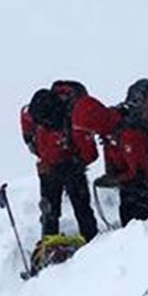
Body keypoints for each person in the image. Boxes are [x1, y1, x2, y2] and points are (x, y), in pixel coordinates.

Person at [73, 88, 148, 226]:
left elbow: (140, 173)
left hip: (146, 182)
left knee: (139, 222)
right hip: (131, 182)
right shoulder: (109, 129)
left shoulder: (128, 135)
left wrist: (115, 178)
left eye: (89, 128)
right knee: (128, 218)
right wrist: (113, 176)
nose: (90, 134)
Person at [21, 82, 100, 242]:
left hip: (70, 164)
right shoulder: (37, 111)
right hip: (50, 164)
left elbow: (90, 153)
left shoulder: (75, 118)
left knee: (78, 207)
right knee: (52, 208)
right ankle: (52, 242)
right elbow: (25, 118)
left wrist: (76, 164)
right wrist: (30, 141)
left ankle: (91, 242)